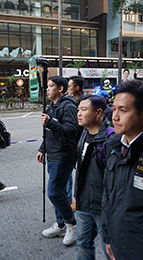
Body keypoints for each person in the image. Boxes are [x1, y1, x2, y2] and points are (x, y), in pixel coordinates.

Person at [102, 80, 143, 260]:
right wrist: (107, 238)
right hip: (116, 244)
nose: (114, 117)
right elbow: (107, 197)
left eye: (123, 110)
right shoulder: (115, 148)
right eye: (114, 109)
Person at [37, 76, 79, 246]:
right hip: (52, 155)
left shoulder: (68, 106)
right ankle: (61, 224)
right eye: (47, 86)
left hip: (64, 156)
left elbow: (72, 130)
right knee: (58, 192)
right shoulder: (52, 107)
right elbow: (49, 133)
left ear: (60, 89)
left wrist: (51, 123)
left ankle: (72, 224)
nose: (47, 89)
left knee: (53, 192)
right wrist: (42, 149)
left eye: (51, 86)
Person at [75, 94, 113, 260]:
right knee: (82, 243)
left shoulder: (111, 140)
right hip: (84, 201)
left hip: (103, 207)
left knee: (111, 250)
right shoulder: (84, 133)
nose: (79, 113)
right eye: (78, 110)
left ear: (98, 113)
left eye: (83, 109)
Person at [67, 75, 85, 208]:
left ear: (77, 88)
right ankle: (70, 199)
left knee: (81, 172)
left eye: (69, 86)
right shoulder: (73, 101)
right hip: (76, 142)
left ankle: (78, 200)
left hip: (82, 142)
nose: (68, 89)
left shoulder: (84, 102)